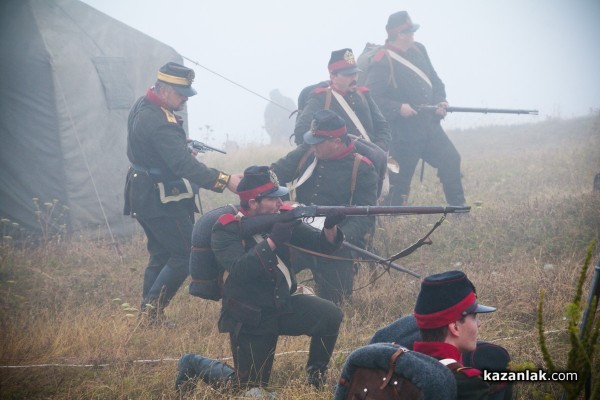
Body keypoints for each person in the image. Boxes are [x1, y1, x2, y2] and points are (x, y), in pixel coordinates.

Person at [198, 165, 344, 393]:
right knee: (249, 389)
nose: (280, 202)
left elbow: (322, 245)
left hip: (283, 303)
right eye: (272, 198)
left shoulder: (279, 219)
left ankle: (316, 378)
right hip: (252, 317)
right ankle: (195, 365)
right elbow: (239, 270)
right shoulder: (226, 229)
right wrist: (272, 242)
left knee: (330, 314)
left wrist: (331, 225)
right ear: (253, 203)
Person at [123, 61, 241, 324]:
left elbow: (156, 148)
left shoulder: (144, 105)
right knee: (186, 252)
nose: (185, 100)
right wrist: (225, 181)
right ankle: (151, 311)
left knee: (162, 253)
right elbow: (182, 165)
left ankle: (148, 315)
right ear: (163, 91)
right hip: (160, 197)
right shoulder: (159, 121)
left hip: (143, 191)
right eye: (180, 94)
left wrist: (178, 145)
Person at [271, 110, 379, 305]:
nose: (312, 147)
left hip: (333, 240)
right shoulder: (306, 152)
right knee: (268, 280)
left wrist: (338, 238)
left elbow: (365, 217)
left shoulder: (362, 168)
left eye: (318, 142)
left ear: (337, 142)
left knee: (336, 303)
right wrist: (282, 203)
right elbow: (273, 175)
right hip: (297, 231)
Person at [364, 11, 467, 206]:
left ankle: (458, 210)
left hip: (429, 127)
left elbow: (435, 82)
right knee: (398, 185)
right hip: (403, 135)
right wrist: (398, 108)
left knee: (451, 160)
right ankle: (389, 226)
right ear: (400, 34)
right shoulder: (382, 60)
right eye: (409, 32)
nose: (413, 36)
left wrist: (440, 101)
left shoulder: (419, 50)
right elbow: (372, 98)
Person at [412, 270, 496, 399]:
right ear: (455, 327)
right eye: (474, 317)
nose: (479, 323)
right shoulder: (468, 384)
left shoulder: (404, 369)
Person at [293, 48, 391, 153]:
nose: (354, 78)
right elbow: (301, 131)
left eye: (355, 74)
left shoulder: (364, 95)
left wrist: (378, 148)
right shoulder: (320, 98)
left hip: (369, 160)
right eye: (347, 74)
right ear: (333, 76)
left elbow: (382, 126)